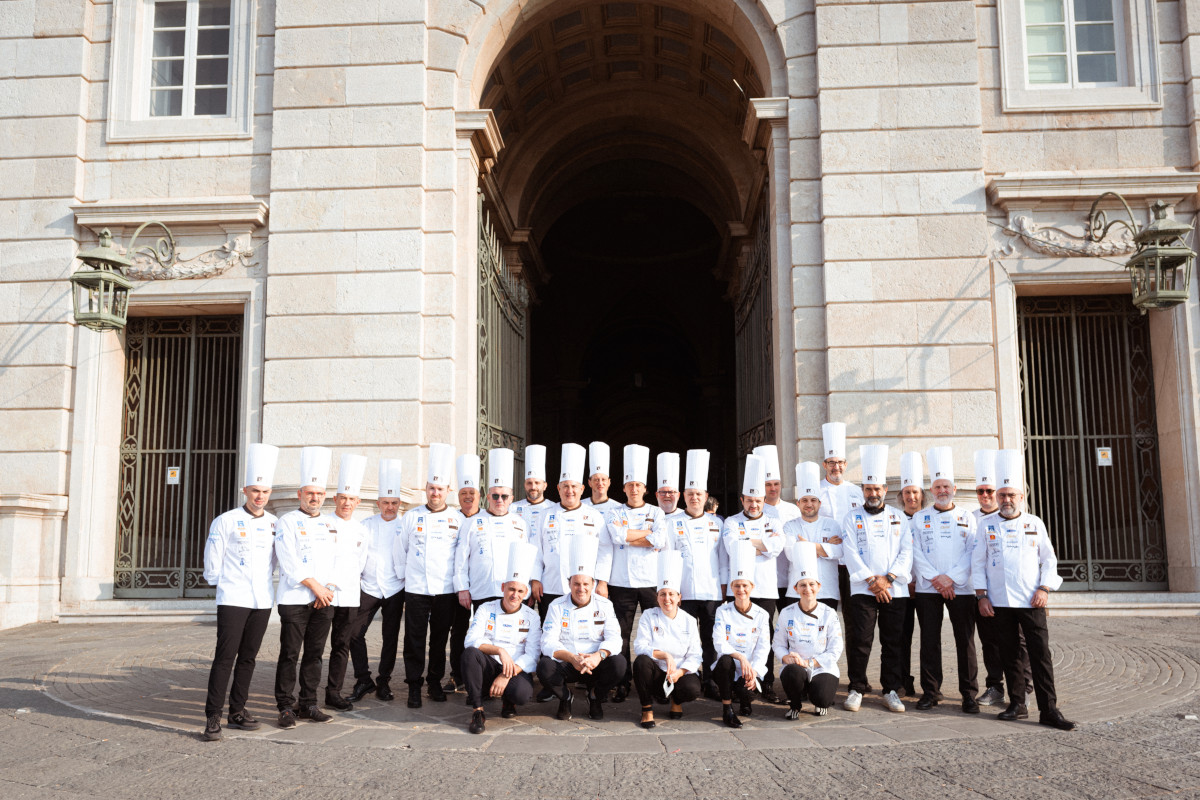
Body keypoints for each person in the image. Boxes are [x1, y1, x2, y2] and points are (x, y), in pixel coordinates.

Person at [974, 450, 1076, 731]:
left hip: (1032, 600)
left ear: (1021, 497)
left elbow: (1049, 559)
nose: (1006, 500)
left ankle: (1049, 709)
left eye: (1011, 495)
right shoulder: (986, 526)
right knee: (1009, 655)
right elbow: (978, 562)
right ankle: (1017, 704)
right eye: (1002, 495)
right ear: (997, 498)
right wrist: (981, 596)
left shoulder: (1035, 523)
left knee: (1040, 655)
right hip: (1000, 602)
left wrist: (1045, 588)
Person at [201, 443, 279, 741]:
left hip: (261, 599)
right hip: (233, 598)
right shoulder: (226, 520)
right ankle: (212, 717)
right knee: (225, 658)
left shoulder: (274, 523)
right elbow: (213, 558)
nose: (260, 496)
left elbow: (275, 560)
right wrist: (222, 583)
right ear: (245, 490)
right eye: (255, 490)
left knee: (248, 658)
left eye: (265, 492)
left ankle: (237, 711)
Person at [841, 444, 912, 714]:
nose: (873, 493)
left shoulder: (898, 517)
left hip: (895, 590)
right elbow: (849, 552)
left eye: (878, 489)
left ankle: (891, 689)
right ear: (863, 491)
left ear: (885, 490)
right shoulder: (851, 517)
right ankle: (857, 688)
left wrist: (889, 579)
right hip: (862, 588)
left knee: (892, 641)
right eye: (869, 489)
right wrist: (873, 581)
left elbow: (907, 550)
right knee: (860, 640)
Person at [910, 447, 980, 714]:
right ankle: (931, 691)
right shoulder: (920, 517)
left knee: (965, 642)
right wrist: (936, 579)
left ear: (955, 489)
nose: (941, 490)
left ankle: (969, 694)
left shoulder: (967, 518)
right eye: (937, 486)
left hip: (961, 588)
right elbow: (915, 551)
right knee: (929, 639)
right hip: (929, 588)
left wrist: (951, 579)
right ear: (932, 489)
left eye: (946, 486)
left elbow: (973, 552)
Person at [273, 446, 338, 727]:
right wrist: (316, 587)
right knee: (290, 653)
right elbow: (288, 561)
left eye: (320, 493)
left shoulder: (329, 524)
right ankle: (285, 706)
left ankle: (308, 703)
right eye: (310, 493)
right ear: (300, 494)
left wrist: (328, 589)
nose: (315, 498)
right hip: (295, 598)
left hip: (324, 600)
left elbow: (337, 562)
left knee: (315, 654)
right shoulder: (286, 522)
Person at [395, 443, 462, 708]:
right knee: (414, 638)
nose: (436, 493)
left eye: (440, 489)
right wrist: (404, 585)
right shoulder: (411, 517)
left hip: (445, 589)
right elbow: (401, 552)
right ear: (426, 489)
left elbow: (460, 557)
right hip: (416, 589)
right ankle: (413, 685)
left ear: (448, 491)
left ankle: (434, 682)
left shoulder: (458, 519)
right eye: (432, 488)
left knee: (439, 639)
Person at [606, 443, 669, 703]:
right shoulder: (614, 512)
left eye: (638, 486)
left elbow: (660, 540)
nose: (634, 489)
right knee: (621, 635)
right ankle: (623, 682)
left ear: (645, 488)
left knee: (658, 630)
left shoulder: (656, 512)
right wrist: (647, 535)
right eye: (629, 485)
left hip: (650, 581)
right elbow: (617, 534)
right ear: (623, 488)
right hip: (621, 582)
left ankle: (660, 679)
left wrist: (630, 537)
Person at [538, 536, 626, 721]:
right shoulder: (556, 605)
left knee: (619, 664)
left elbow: (615, 639)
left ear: (593, 585)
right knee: (544, 666)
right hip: (569, 662)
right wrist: (572, 658)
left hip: (595, 663)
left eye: (586, 584)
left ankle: (595, 695)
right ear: (569, 583)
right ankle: (565, 697)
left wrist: (597, 656)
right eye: (576, 583)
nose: (581, 589)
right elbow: (547, 642)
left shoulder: (604, 605)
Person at [721, 454, 784, 703]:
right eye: (750, 501)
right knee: (735, 635)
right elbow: (731, 547)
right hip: (739, 589)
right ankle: (737, 682)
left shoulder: (774, 520)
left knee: (763, 637)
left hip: (766, 588)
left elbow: (777, 546)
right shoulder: (730, 522)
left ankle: (765, 683)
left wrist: (747, 544)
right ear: (742, 500)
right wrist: (762, 545)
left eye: (758, 501)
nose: (754, 505)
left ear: (763, 501)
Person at [972, 449, 1031, 708]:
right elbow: (974, 560)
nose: (986, 496)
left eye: (990, 491)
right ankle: (995, 686)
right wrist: (980, 594)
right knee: (989, 642)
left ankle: (1025, 688)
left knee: (1020, 643)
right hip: (986, 594)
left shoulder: (1025, 521)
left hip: (1018, 595)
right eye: (981, 491)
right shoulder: (971, 519)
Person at [463, 541, 542, 733]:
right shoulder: (486, 608)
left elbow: (532, 655)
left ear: (526, 594)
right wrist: (499, 650)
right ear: (503, 588)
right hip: (489, 664)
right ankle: (478, 710)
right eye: (511, 589)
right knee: (469, 655)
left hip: (515, 668)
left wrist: (507, 674)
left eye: (520, 591)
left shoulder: (532, 617)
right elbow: (471, 640)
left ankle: (509, 702)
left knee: (521, 694)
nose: (514, 595)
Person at [530, 443, 612, 618]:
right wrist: (535, 579)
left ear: (582, 489)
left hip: (584, 589)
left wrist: (602, 582)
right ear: (558, 488)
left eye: (574, 486)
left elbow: (605, 551)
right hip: (550, 586)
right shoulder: (545, 515)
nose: (570, 491)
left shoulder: (594, 516)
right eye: (565, 486)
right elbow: (535, 550)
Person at [347, 458, 405, 703]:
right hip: (369, 586)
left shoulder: (406, 525)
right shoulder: (365, 525)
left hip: (395, 587)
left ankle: (384, 681)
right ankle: (363, 678)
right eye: (385, 503)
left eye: (393, 503)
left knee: (390, 637)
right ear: (378, 503)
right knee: (352, 633)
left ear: (399, 503)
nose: (389, 507)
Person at [668, 449, 725, 698]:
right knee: (685, 638)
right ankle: (687, 675)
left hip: (711, 590)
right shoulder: (673, 523)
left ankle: (711, 678)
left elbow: (723, 558)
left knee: (711, 639)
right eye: (690, 494)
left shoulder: (717, 523)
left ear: (706, 497)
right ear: (684, 496)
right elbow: (668, 556)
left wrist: (723, 588)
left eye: (698, 494)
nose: (694, 498)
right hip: (684, 591)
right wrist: (671, 588)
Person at [632, 551, 703, 728]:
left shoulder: (689, 620)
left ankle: (676, 701)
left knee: (692, 689)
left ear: (679, 597)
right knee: (641, 662)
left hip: (678, 674)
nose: (667, 599)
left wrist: (679, 673)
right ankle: (647, 710)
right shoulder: (648, 616)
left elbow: (695, 654)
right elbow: (640, 646)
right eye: (662, 594)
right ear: (657, 597)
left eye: (671, 594)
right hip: (656, 673)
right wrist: (664, 655)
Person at [774, 542, 843, 718]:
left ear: (818, 586)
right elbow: (778, 644)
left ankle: (817, 695)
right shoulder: (786, 613)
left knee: (822, 698)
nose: (807, 589)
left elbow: (835, 649)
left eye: (811, 584)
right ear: (795, 588)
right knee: (791, 672)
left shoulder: (829, 613)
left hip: (821, 666)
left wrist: (811, 664)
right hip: (796, 666)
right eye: (802, 585)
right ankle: (795, 705)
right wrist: (785, 656)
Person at [324, 454, 370, 712]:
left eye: (352, 499)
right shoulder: (323, 524)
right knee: (316, 646)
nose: (347, 503)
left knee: (342, 646)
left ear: (358, 502)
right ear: (335, 500)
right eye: (343, 498)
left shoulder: (362, 530)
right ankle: (307, 694)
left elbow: (360, 563)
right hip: (325, 594)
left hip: (350, 595)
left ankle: (334, 692)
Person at [455, 448, 527, 611]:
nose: (499, 500)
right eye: (495, 496)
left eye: (504, 496)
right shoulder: (472, 522)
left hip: (511, 593)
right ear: (488, 497)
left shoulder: (520, 523)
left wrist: (525, 589)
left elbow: (525, 559)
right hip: (481, 591)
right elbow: (461, 559)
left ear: (511, 499)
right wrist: (462, 587)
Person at [711, 541, 771, 728]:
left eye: (744, 585)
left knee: (747, 692)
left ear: (751, 587)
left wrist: (754, 671)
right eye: (737, 586)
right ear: (731, 587)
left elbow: (763, 647)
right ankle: (727, 708)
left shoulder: (762, 614)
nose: (741, 590)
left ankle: (745, 701)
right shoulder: (723, 611)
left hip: (750, 669)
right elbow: (719, 642)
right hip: (730, 666)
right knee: (725, 661)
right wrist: (739, 657)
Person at [819, 422, 863, 626]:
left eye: (839, 462)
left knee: (852, 615)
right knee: (824, 614)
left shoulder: (856, 491)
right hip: (825, 559)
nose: (836, 467)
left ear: (845, 464)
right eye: (831, 462)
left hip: (850, 560)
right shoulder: (815, 492)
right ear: (824, 464)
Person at [782, 461, 842, 610]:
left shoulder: (832, 524)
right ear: (798, 503)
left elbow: (839, 552)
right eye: (805, 500)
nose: (809, 504)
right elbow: (791, 554)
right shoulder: (789, 526)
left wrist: (804, 546)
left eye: (813, 500)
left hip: (827, 590)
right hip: (797, 590)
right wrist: (824, 548)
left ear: (819, 503)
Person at [445, 453, 481, 695]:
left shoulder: (487, 519)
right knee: (458, 631)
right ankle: (456, 675)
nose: (468, 498)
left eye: (472, 494)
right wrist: (460, 586)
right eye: (463, 494)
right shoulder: (450, 518)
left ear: (480, 496)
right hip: (457, 586)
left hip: (483, 584)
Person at [753, 444, 802, 611]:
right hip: (764, 579)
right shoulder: (755, 511)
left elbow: (798, 540)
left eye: (776, 483)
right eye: (768, 484)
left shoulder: (793, 510)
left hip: (789, 578)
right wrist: (769, 545)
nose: (773, 488)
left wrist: (764, 544)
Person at [897, 451, 926, 698]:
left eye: (915, 492)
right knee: (901, 637)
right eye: (907, 492)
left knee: (928, 638)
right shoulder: (895, 520)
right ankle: (902, 680)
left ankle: (930, 684)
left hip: (927, 588)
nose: (911, 496)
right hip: (903, 589)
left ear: (922, 495)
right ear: (901, 496)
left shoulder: (929, 520)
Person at [512, 444, 554, 539]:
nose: (533, 487)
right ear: (524, 485)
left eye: (537, 483)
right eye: (529, 483)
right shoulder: (513, 508)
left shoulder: (553, 508)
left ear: (545, 485)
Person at [583, 441, 622, 516]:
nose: (600, 483)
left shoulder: (618, 509)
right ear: (589, 482)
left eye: (603, 479)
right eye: (596, 480)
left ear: (609, 482)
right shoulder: (580, 506)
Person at [655, 451, 681, 516]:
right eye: (663, 492)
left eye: (671, 492)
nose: (667, 495)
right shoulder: (648, 517)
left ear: (678, 495)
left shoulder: (687, 518)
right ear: (656, 495)